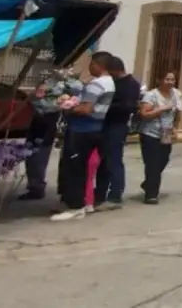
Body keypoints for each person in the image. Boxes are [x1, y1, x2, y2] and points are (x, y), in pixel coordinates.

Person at [51, 51, 115, 222]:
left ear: (98, 65)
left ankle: (75, 206)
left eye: (91, 63)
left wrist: (67, 108)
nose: (89, 67)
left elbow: (86, 108)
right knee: (80, 167)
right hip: (95, 128)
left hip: (82, 130)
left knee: (75, 167)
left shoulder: (97, 84)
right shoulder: (109, 82)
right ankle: (78, 203)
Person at [18, 69, 77, 201]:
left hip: (47, 124)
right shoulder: (49, 83)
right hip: (38, 123)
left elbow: (49, 106)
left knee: (38, 156)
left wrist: (46, 103)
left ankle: (37, 187)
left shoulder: (65, 86)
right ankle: (35, 186)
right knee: (32, 155)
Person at [93, 56, 140, 211]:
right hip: (106, 125)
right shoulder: (114, 82)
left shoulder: (130, 84)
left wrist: (105, 105)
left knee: (114, 160)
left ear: (116, 70)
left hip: (117, 126)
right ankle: (99, 193)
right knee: (102, 161)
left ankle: (115, 195)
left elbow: (128, 107)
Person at [138, 71, 182, 203]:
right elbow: (144, 114)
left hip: (166, 134)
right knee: (152, 164)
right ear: (160, 80)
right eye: (167, 79)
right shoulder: (151, 95)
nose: (170, 82)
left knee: (163, 160)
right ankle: (151, 195)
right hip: (150, 133)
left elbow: (178, 113)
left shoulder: (177, 94)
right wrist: (161, 109)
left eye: (172, 80)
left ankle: (148, 183)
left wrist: (175, 128)